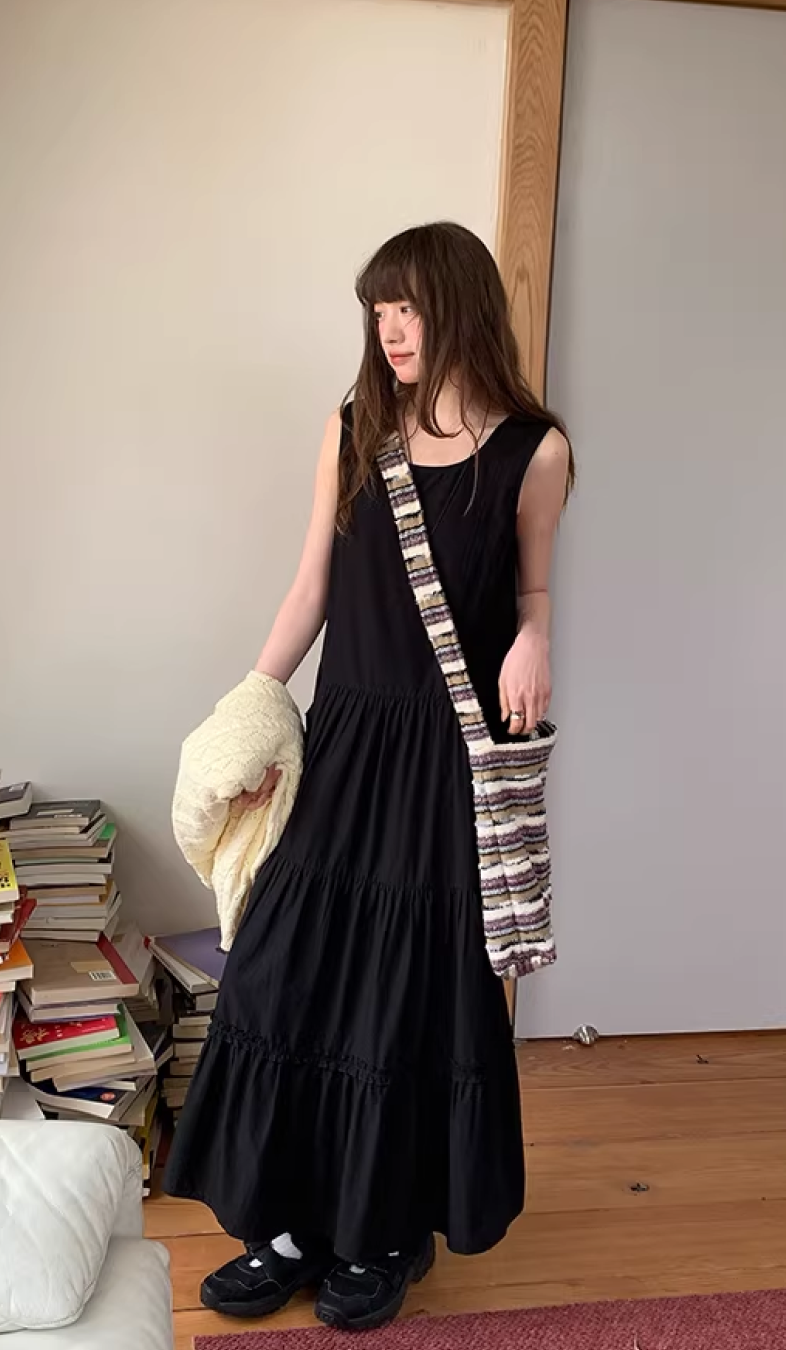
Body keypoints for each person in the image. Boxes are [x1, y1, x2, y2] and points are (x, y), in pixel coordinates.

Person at [163, 221, 572, 1332]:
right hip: (345, 741)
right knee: (280, 970)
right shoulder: (354, 429)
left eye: (408, 306)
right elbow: (312, 587)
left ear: (459, 305)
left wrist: (535, 640)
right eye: (378, 310)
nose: (391, 330)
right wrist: (253, 717)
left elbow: (532, 592)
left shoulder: (534, 450)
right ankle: (291, 1222)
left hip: (443, 763)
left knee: (408, 999)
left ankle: (385, 1230)